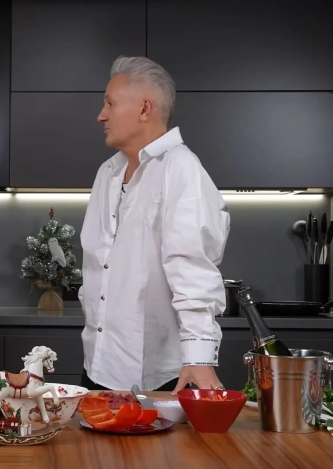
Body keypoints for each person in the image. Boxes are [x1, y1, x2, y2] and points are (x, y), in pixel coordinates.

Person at [79, 56, 230, 395]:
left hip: (160, 379)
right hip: (98, 367)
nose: (101, 115)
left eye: (110, 103)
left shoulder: (181, 170)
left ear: (145, 109)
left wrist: (199, 358)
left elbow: (192, 268)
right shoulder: (107, 173)